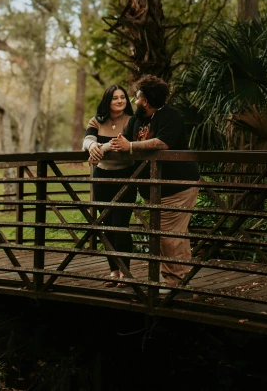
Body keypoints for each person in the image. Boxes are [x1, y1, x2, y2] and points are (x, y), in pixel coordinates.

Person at [110, 75, 200, 289]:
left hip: (177, 185)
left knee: (169, 236)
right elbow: (123, 140)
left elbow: (163, 143)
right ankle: (176, 280)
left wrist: (131, 147)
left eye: (137, 97)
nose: (134, 101)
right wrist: (97, 148)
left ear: (146, 100)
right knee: (169, 236)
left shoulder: (171, 116)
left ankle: (176, 285)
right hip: (154, 189)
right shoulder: (137, 119)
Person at [82, 84, 136, 287]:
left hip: (126, 176)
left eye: (123, 97)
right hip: (102, 176)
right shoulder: (97, 120)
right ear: (108, 100)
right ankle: (113, 270)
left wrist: (100, 148)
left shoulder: (132, 120)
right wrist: (93, 146)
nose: (120, 101)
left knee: (121, 224)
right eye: (115, 98)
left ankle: (125, 271)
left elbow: (118, 144)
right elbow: (86, 140)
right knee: (106, 225)